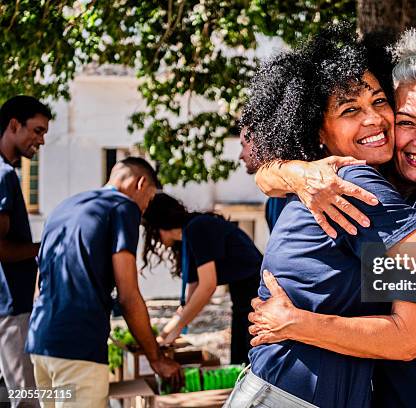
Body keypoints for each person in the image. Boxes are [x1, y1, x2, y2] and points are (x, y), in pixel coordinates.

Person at [223, 24, 416, 408]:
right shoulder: (347, 182)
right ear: (318, 128)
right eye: (406, 121)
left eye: (379, 102)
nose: (372, 120)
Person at [26, 158, 181, 408]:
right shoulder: (123, 207)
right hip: (78, 349)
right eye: (149, 199)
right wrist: (156, 358)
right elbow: (128, 295)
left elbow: (39, 284)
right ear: (140, 184)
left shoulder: (64, 207)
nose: (144, 210)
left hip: (41, 343)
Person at [142, 192, 262, 364]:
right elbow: (189, 302)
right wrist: (163, 336)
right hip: (242, 294)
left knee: (246, 359)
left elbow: (207, 286)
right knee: (238, 358)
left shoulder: (196, 228)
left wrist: (175, 332)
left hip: (256, 292)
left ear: (161, 225)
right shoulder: (188, 238)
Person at [0, 95, 51, 408]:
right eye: (37, 130)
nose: (41, 141)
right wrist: (46, 247)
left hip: (10, 304)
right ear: (14, 125)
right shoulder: (4, 175)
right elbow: (2, 249)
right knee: (27, 399)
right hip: (11, 307)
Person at [239, 126, 287, 231]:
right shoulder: (271, 205)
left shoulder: (303, 190)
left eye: (243, 145)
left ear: (260, 142)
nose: (240, 156)